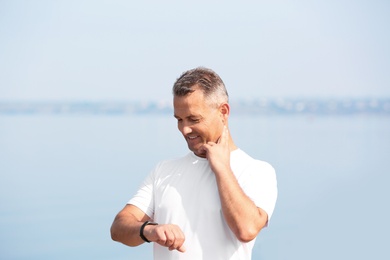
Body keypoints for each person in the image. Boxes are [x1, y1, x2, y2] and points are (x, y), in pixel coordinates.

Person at [110, 67, 278, 259]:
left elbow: (246, 230)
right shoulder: (163, 170)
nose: (184, 129)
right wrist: (149, 230)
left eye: (193, 119)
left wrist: (221, 168)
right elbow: (118, 228)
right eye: (179, 119)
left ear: (223, 112)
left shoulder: (258, 171)